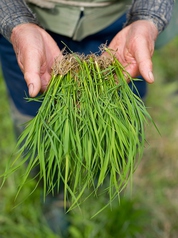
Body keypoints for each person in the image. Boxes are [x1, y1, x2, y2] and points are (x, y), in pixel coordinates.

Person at [0, 0, 174, 237]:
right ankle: (53, 191)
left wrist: (147, 16)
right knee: (36, 120)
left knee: (119, 120)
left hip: (119, 23)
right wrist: (15, 22)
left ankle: (103, 178)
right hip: (29, 26)